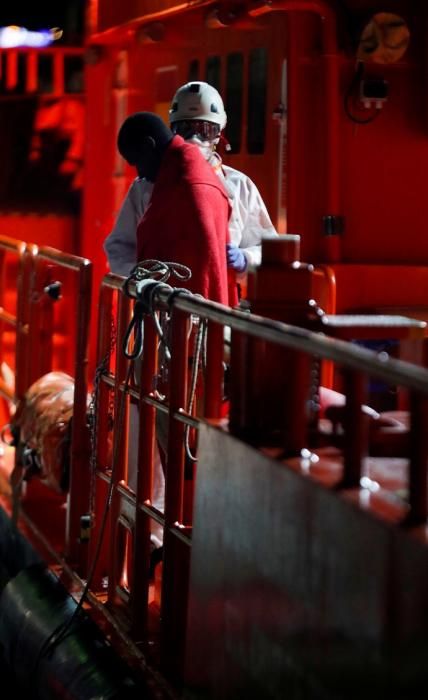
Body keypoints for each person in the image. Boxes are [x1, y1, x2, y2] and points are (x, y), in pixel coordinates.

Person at [103, 81, 277, 278]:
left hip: (221, 300)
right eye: (185, 128)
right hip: (162, 298)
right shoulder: (146, 187)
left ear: (218, 134)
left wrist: (245, 258)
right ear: (172, 131)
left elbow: (269, 249)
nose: (195, 138)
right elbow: (119, 246)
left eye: (205, 130)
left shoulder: (239, 186)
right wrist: (140, 279)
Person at [117, 111, 232, 304]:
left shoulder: (188, 188)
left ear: (148, 146)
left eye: (137, 163)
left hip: (186, 319)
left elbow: (195, 277)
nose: (140, 173)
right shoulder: (190, 174)